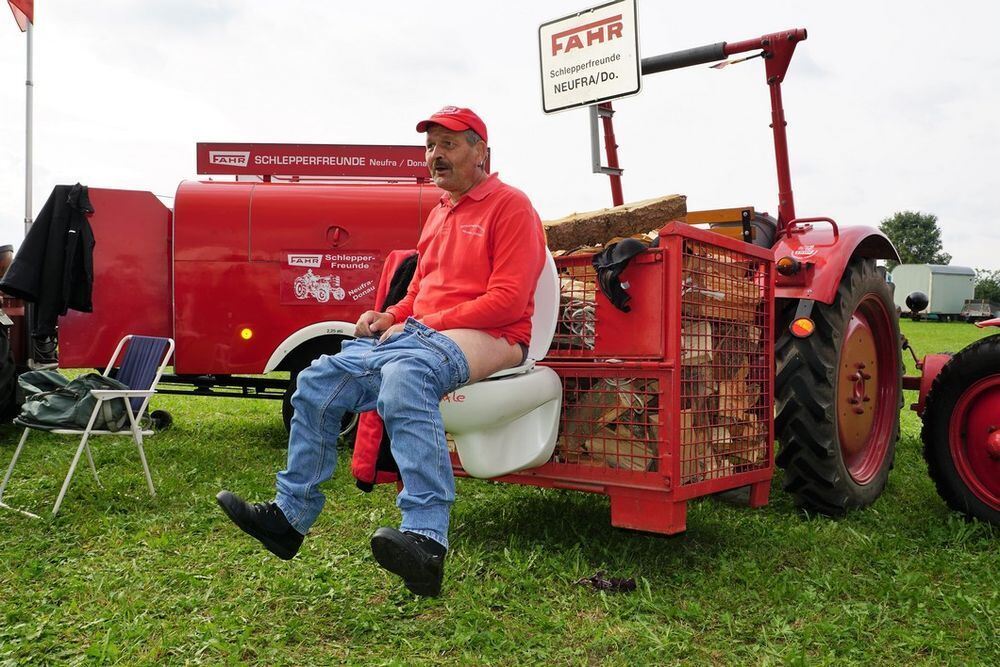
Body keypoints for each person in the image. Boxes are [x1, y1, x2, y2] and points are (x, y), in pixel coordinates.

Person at [216, 106, 547, 597]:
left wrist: (420, 324)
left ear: (481, 151)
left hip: (497, 336)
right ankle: (289, 518)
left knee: (405, 378)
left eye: (449, 144)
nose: (436, 155)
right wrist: (390, 317)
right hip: (423, 333)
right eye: (431, 145)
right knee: (316, 379)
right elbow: (419, 291)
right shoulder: (438, 213)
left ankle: (427, 541)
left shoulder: (511, 206)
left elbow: (508, 301)